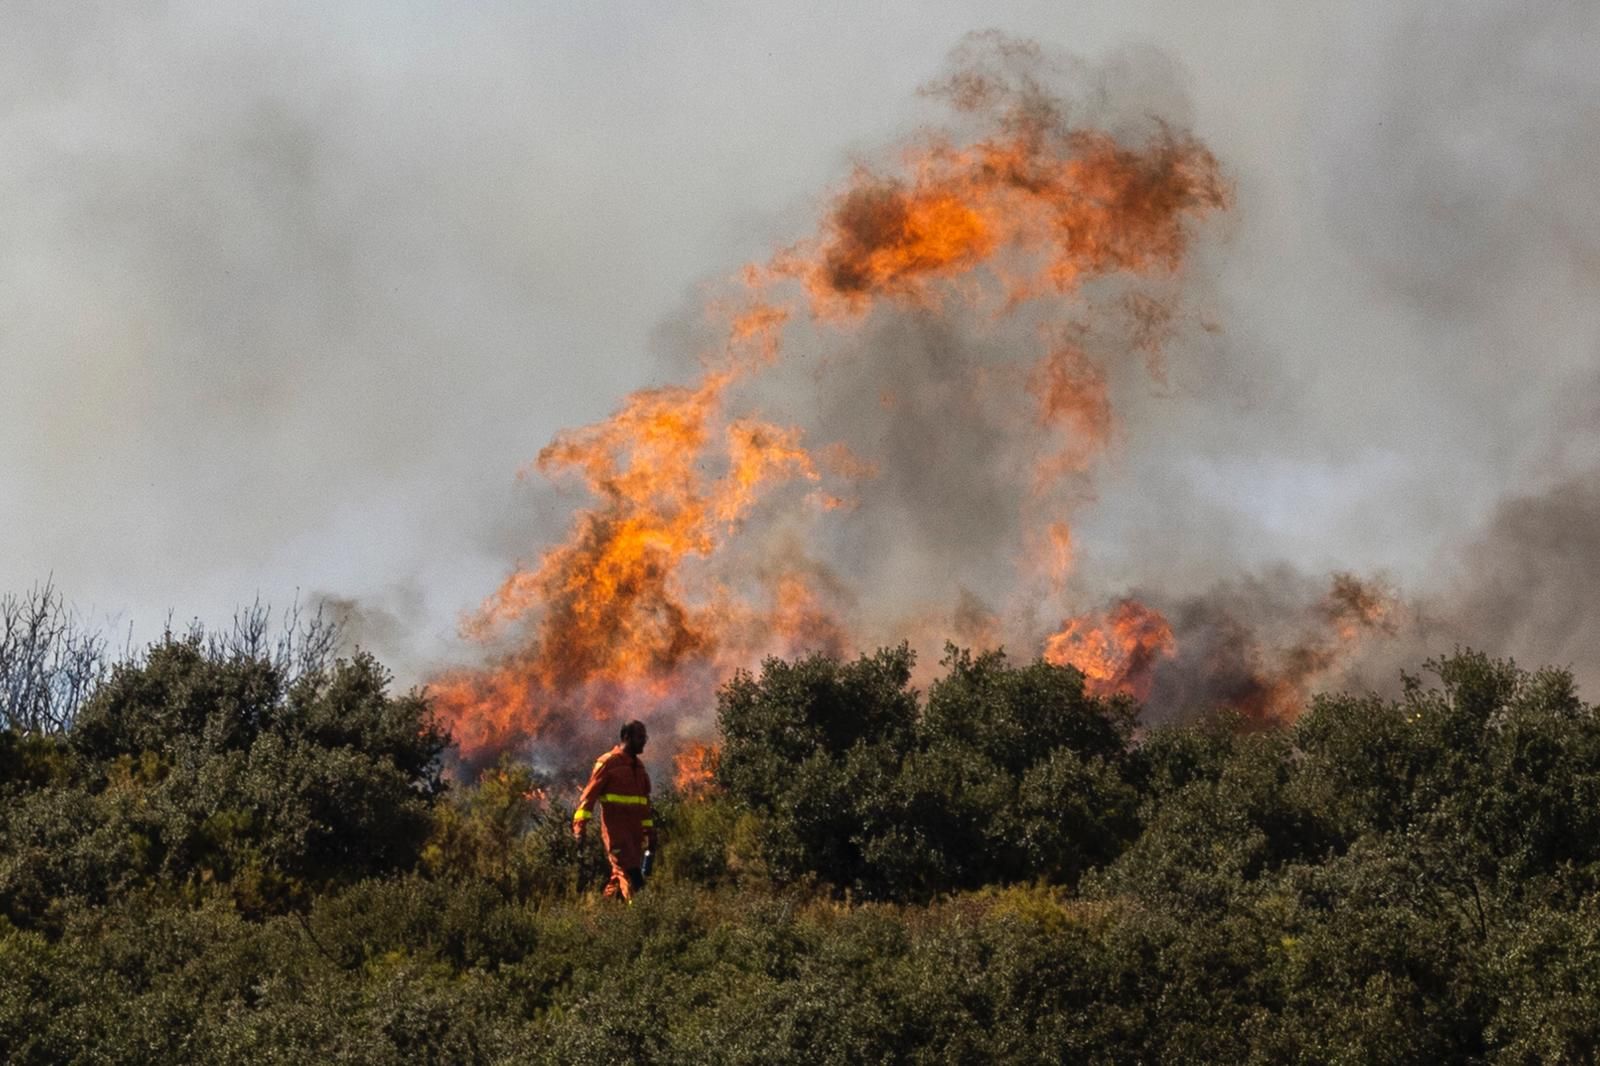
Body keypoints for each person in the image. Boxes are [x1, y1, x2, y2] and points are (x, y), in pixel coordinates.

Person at [572, 720, 657, 901]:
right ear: (626, 737)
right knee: (633, 879)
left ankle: (604, 913)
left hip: (634, 839)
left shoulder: (639, 768)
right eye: (640, 737)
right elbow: (588, 798)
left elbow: (644, 805)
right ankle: (641, 920)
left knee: (618, 879)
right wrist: (580, 829)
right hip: (617, 836)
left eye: (645, 737)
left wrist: (650, 833)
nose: (644, 741)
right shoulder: (608, 763)